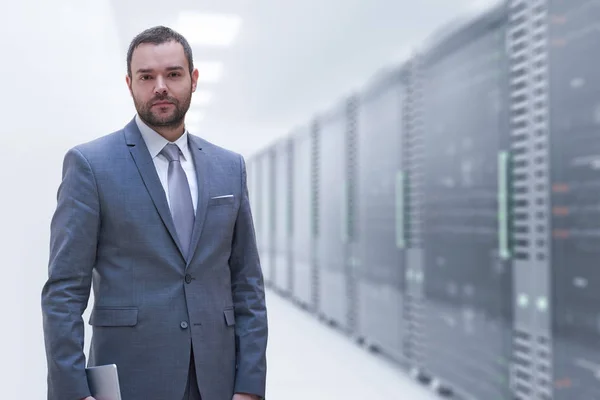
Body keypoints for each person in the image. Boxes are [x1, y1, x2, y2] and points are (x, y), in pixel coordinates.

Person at [41, 26, 268, 400]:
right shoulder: (91, 165)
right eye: (147, 76)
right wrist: (73, 391)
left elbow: (247, 283)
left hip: (217, 378)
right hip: (131, 375)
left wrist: (250, 385)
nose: (160, 86)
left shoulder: (230, 167)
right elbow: (64, 290)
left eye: (173, 74)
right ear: (130, 83)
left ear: (193, 80)